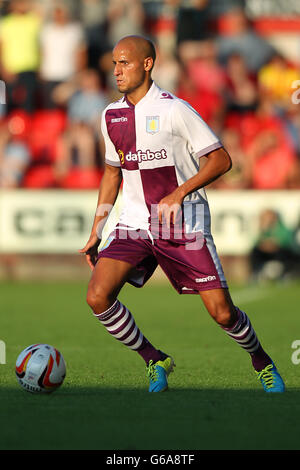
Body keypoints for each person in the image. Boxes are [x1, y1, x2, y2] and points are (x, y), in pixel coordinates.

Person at [79, 35, 285, 393]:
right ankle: (153, 358)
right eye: (114, 63)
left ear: (147, 64)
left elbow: (221, 159)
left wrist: (179, 191)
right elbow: (113, 173)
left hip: (182, 223)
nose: (117, 71)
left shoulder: (175, 110)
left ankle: (262, 362)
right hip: (135, 224)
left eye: (124, 63)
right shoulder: (110, 115)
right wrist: (98, 228)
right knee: (98, 295)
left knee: (222, 312)